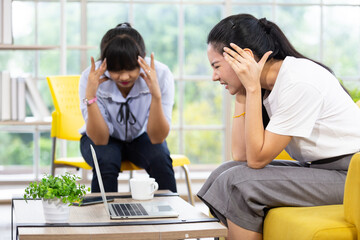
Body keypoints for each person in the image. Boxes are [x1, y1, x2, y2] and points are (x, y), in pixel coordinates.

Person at [197, 13, 360, 240]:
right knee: (222, 172)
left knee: (239, 183)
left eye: (216, 66)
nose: (214, 76)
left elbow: (256, 160)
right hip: (322, 169)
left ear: (244, 57)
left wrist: (251, 88)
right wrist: (244, 92)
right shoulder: (268, 84)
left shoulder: (298, 81)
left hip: (351, 177)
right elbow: (241, 154)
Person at [79, 22, 177, 193]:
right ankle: (102, 217)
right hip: (101, 138)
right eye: (115, 70)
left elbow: (157, 137)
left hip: (141, 137)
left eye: (131, 68)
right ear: (105, 63)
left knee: (160, 158)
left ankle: (170, 215)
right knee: (107, 159)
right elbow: (100, 139)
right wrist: (91, 96)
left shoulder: (160, 74)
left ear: (142, 58)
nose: (124, 76)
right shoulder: (90, 77)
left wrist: (156, 94)